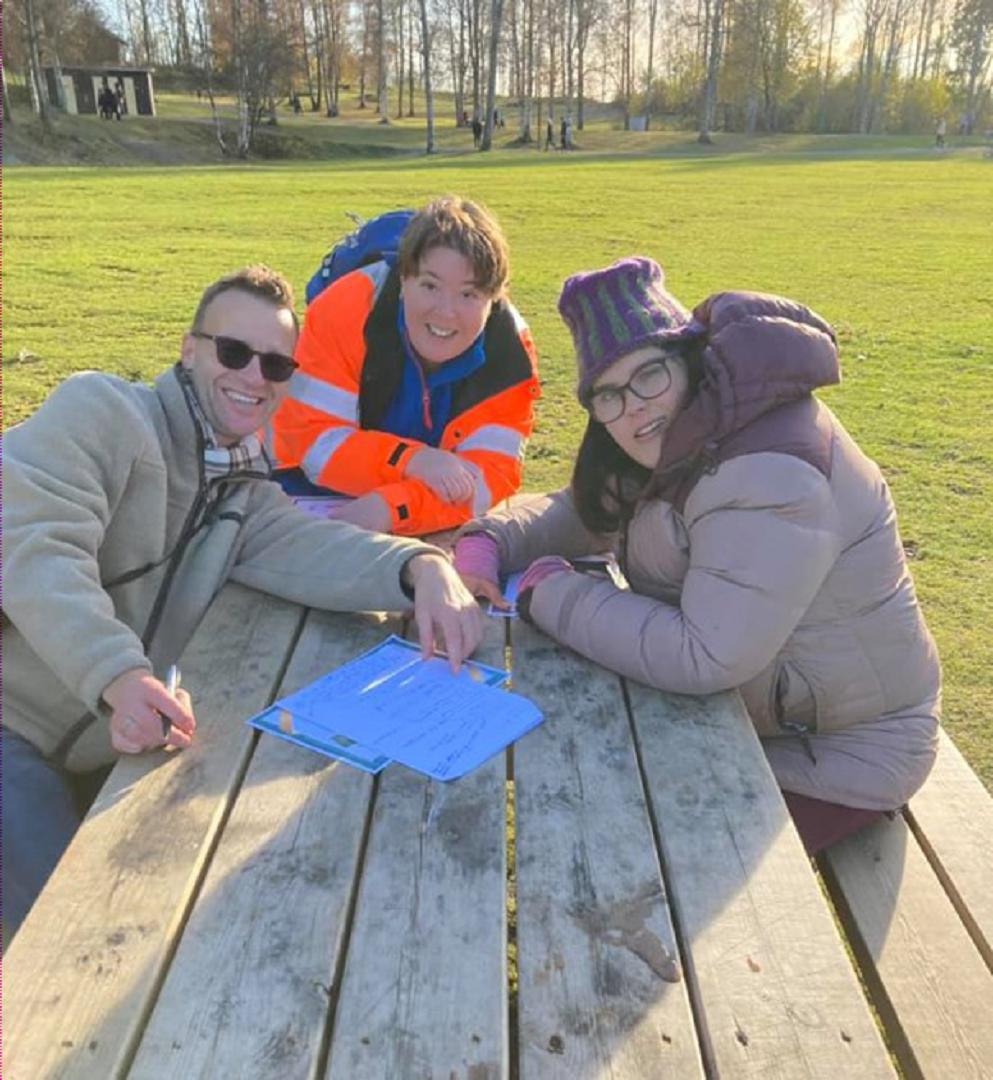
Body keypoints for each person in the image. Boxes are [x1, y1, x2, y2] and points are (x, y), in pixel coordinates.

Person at [1, 265, 484, 943]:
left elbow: (311, 548)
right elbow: (32, 550)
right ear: (188, 348)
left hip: (100, 754)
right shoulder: (103, 412)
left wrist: (424, 569)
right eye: (234, 353)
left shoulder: (240, 489)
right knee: (64, 944)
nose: (255, 377)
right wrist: (119, 676)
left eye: (278, 364)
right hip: (15, 730)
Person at [454, 256, 941, 855]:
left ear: (691, 360)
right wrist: (487, 541)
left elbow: (703, 655)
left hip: (843, 754)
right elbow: (587, 509)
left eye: (649, 375)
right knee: (587, 788)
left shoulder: (770, 471)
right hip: (745, 720)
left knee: (634, 850)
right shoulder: (690, 432)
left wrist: (549, 592)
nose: (632, 406)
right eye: (607, 394)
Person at [272, 196, 541, 536]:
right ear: (403, 280)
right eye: (430, 285)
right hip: (304, 493)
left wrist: (393, 507)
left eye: (469, 295)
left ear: (495, 298)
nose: (446, 311)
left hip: (419, 514)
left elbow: (489, 479)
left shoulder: (511, 353)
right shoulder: (344, 309)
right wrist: (412, 460)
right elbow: (313, 444)